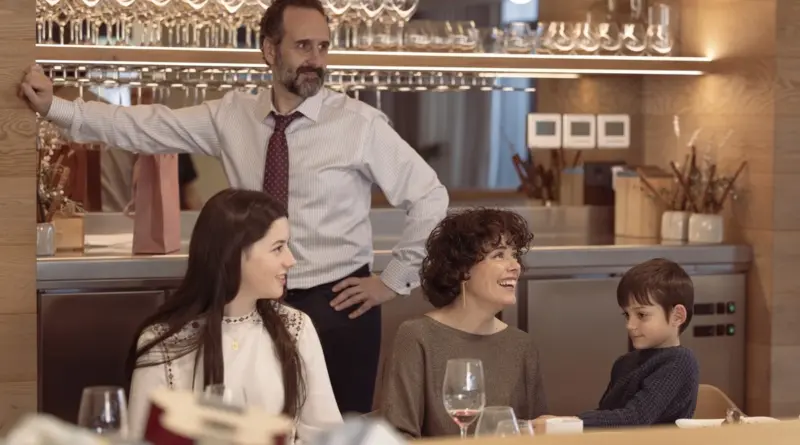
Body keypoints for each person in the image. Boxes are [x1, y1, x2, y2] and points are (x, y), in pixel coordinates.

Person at [20, 0, 448, 414]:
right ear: (269, 50)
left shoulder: (360, 124)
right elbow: (144, 126)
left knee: (336, 434)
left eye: (323, 47)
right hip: (254, 304)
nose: (316, 59)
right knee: (255, 427)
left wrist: (391, 281)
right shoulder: (231, 116)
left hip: (337, 306)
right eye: (303, 46)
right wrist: (55, 107)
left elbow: (429, 196)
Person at [126, 188, 342, 443]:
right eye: (277, 248)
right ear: (234, 254)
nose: (290, 260)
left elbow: (327, 435)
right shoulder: (164, 342)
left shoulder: (295, 327)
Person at [378, 208, 547, 438]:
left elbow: (538, 434)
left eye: (514, 255)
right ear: (462, 269)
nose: (515, 266)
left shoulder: (522, 345)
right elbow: (396, 437)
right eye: (499, 255)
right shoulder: (417, 337)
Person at [539, 258, 700, 428]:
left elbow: (635, 418)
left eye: (642, 315)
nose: (630, 325)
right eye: (627, 315)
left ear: (677, 316)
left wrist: (569, 422)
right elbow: (608, 416)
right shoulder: (624, 363)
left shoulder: (680, 361)